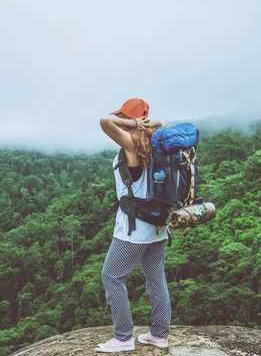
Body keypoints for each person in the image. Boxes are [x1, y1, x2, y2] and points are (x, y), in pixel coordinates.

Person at [95, 98, 171, 352]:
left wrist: (134, 124)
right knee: (155, 278)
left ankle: (123, 337)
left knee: (112, 276)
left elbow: (105, 122)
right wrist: (146, 124)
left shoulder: (132, 145)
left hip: (134, 229)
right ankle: (159, 335)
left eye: (125, 117)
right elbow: (159, 122)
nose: (123, 123)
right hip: (159, 226)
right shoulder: (157, 143)